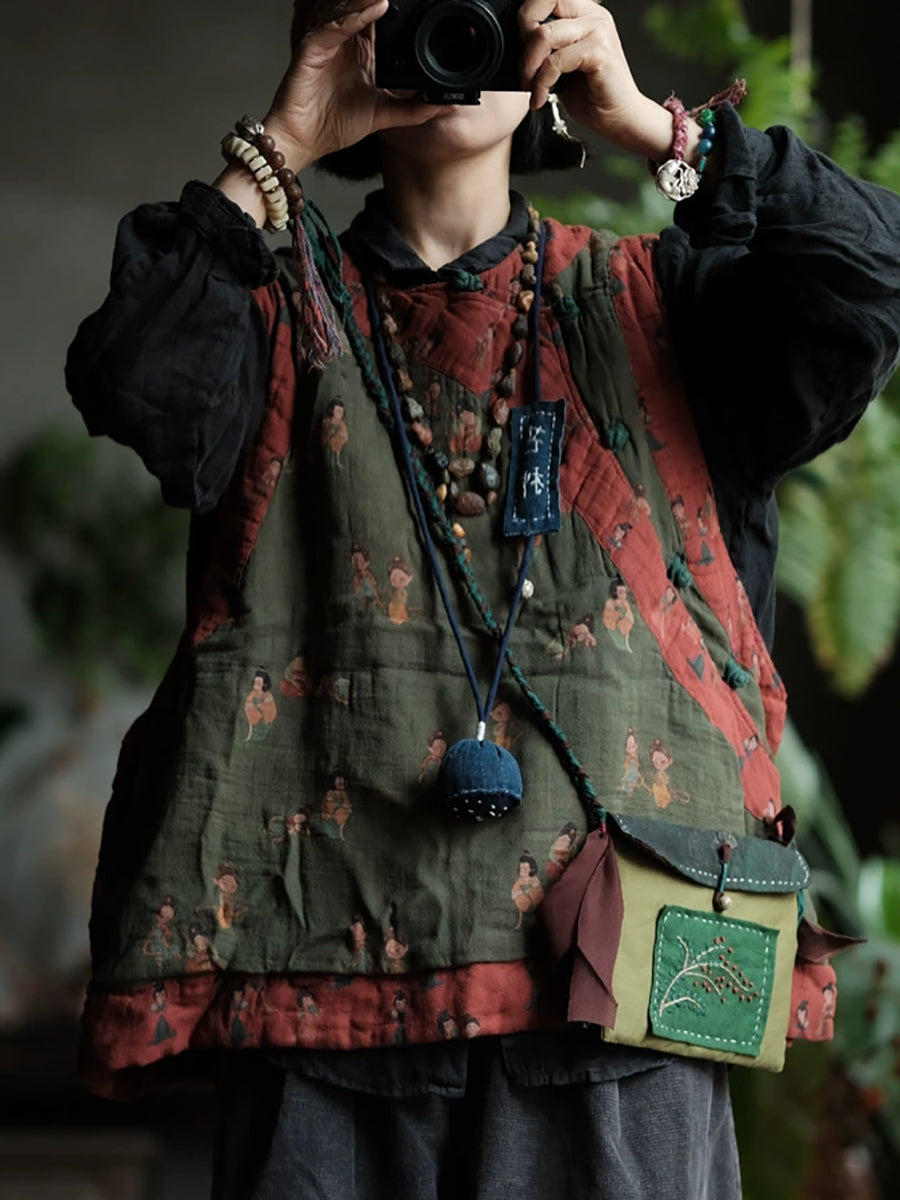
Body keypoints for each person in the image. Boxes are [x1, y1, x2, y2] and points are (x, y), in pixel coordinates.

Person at [64, 1, 900, 1197]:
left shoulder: (668, 309)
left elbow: (875, 275)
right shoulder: (262, 320)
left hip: (627, 1016)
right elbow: (131, 375)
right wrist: (282, 142)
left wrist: (663, 132)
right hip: (318, 1017)